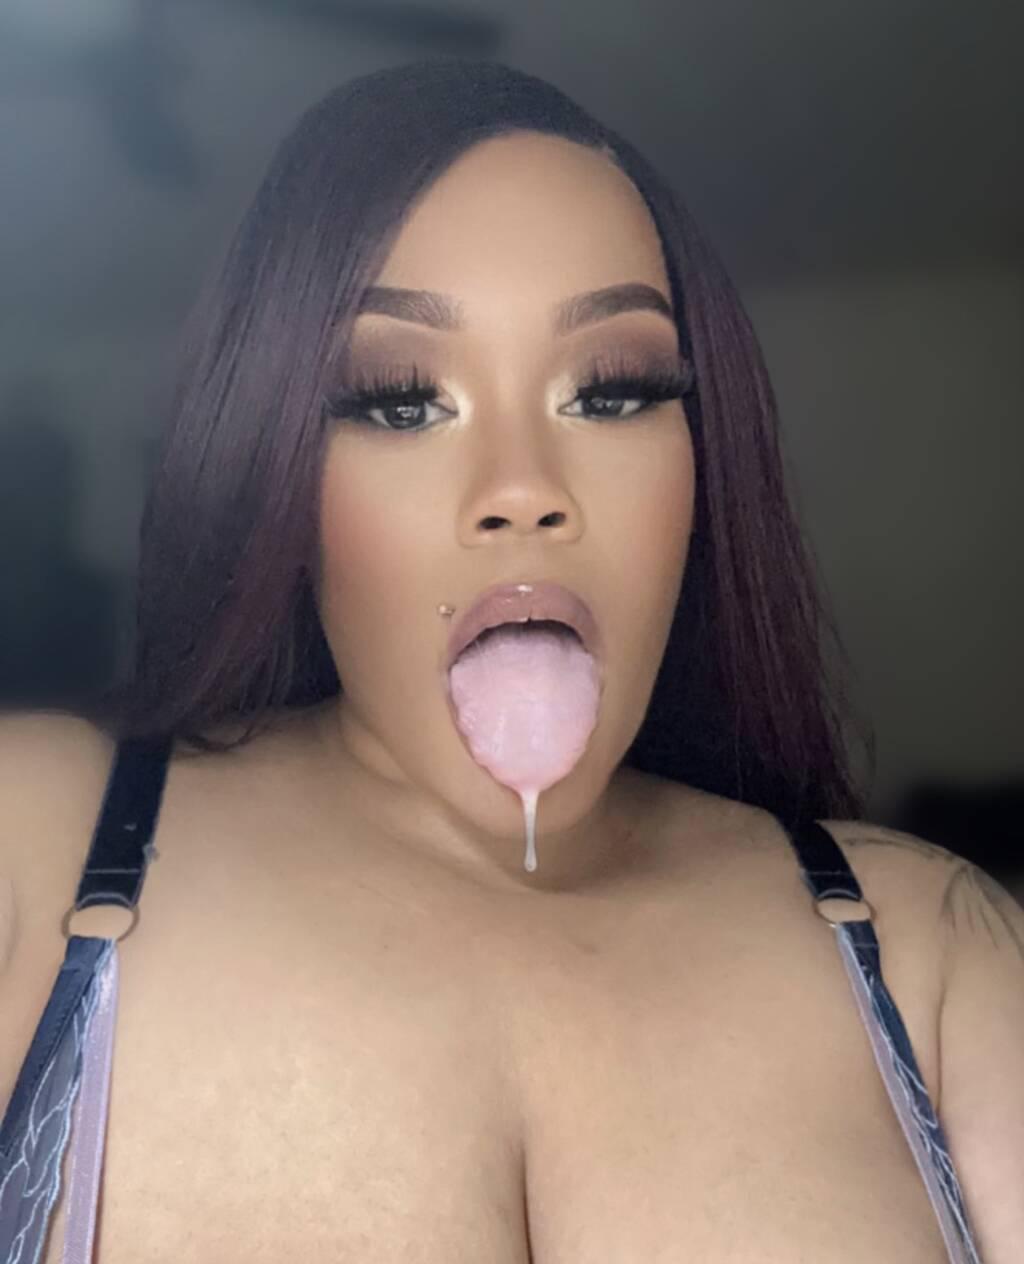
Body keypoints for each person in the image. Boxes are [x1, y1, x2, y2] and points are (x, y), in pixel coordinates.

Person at [1, 57, 1019, 1264]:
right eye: (399, 400)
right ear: (279, 473)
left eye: (613, 389)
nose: (523, 489)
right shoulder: (34, 842)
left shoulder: (933, 953)